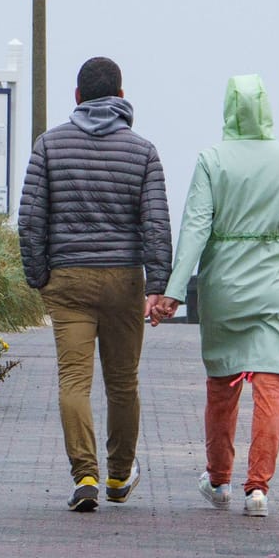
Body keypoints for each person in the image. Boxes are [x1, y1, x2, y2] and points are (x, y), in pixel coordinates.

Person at [151, 75, 279, 518]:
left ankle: (219, 481)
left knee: (223, 384)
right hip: (277, 286)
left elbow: (196, 227)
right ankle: (258, 489)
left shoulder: (211, 160)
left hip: (226, 287)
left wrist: (174, 292)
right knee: (271, 384)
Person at [18, 56, 173, 512]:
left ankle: (84, 474)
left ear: (77, 97)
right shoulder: (143, 152)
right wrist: (156, 285)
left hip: (67, 279)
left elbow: (30, 221)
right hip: (124, 280)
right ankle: (120, 476)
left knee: (74, 381)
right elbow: (157, 226)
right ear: (122, 98)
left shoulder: (49, 146)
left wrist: (38, 276)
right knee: (123, 383)